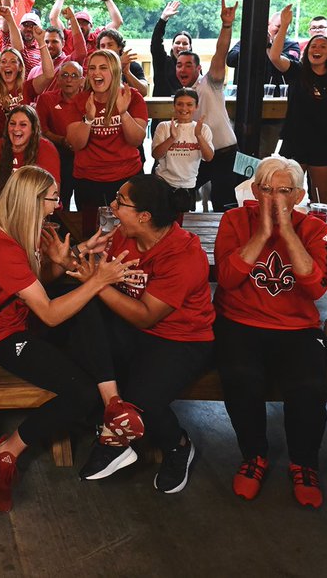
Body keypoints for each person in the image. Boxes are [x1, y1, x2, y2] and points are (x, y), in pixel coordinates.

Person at [0, 165, 138, 511]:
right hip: (9, 339)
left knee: (89, 313)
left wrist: (72, 257)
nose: (58, 205)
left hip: (31, 325)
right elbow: (48, 311)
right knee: (81, 392)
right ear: (32, 201)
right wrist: (96, 280)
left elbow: (37, 284)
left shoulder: (24, 232)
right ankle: (6, 450)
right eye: (53, 198)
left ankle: (113, 406)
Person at [76, 175, 214, 494]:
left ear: (144, 216)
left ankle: (178, 446)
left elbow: (146, 316)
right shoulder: (124, 236)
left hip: (183, 340)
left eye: (120, 202)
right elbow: (96, 277)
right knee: (84, 312)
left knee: (143, 402)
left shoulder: (183, 254)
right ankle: (114, 413)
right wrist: (71, 260)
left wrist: (95, 284)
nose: (112, 206)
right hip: (136, 330)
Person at [214, 157, 327, 508]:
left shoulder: (313, 228)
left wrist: (287, 233)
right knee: (240, 376)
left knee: (309, 387)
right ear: (254, 191)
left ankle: (303, 463)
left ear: (298, 195)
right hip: (239, 320)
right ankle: (254, 456)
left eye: (284, 191)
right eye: (266, 190)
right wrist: (264, 234)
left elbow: (316, 288)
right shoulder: (235, 220)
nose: (274, 198)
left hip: (296, 326)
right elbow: (227, 279)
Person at [268, 4, 327, 204]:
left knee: (319, 199)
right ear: (306, 51)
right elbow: (274, 57)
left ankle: (315, 233)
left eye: (322, 46)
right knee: (285, 196)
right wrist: (284, 26)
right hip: (294, 141)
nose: (317, 49)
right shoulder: (297, 71)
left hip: (322, 143)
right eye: (313, 46)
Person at [174, 0, 241, 211]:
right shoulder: (181, 96)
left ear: (198, 68)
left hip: (226, 153)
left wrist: (226, 25)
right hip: (200, 156)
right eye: (178, 65)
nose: (182, 69)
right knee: (179, 191)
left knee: (224, 205)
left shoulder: (209, 83)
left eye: (188, 65)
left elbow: (220, 53)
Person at [66, 49, 149, 211]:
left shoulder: (132, 97)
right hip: (88, 179)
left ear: (115, 71)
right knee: (90, 230)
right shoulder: (80, 100)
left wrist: (123, 113)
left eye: (103, 68)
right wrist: (89, 119)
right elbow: (76, 144)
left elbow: (136, 140)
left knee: (127, 231)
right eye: (92, 68)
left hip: (127, 177)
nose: (96, 72)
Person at [0, 7, 53, 141]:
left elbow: (48, 75)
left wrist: (41, 42)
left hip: (23, 143)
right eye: (3, 61)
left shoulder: (27, 88)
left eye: (13, 61)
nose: (7, 65)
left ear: (19, 67)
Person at [35, 61, 87, 208]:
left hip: (85, 157)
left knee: (85, 204)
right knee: (60, 201)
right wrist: (62, 140)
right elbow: (42, 131)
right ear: (58, 79)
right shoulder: (46, 99)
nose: (69, 80)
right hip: (58, 155)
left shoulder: (89, 100)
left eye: (74, 76)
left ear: (82, 80)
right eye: (64, 75)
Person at [0, 105, 62, 197]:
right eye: (12, 123)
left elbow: (53, 193)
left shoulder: (46, 149)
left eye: (23, 124)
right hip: (3, 205)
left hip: (35, 206)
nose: (16, 129)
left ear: (33, 129)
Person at [152, 88, 214, 193]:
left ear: (196, 107)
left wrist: (198, 135)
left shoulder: (203, 129)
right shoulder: (164, 126)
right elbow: (156, 155)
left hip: (189, 185)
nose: (184, 108)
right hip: (163, 182)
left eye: (189, 104)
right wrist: (171, 138)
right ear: (174, 105)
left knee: (185, 210)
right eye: (179, 104)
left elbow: (208, 157)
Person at [50, 0, 125, 55]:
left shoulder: (97, 38)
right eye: (76, 23)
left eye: (84, 23)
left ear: (91, 26)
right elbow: (53, 18)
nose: (80, 26)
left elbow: (117, 22)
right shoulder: (65, 36)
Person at [150, 1, 193, 97]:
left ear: (190, 47)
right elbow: (156, 44)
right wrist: (163, 19)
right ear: (172, 46)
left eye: (185, 43)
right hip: (162, 106)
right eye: (177, 43)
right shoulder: (163, 61)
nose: (181, 46)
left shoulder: (194, 66)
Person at [95, 29, 148, 96]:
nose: (106, 48)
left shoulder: (132, 65)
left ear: (119, 46)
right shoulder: (95, 67)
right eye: (102, 46)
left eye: (110, 45)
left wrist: (127, 72)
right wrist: (119, 65)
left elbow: (143, 92)